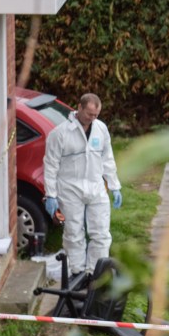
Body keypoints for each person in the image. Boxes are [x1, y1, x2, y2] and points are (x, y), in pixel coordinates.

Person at [43, 93, 122, 276]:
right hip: (70, 189)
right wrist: (51, 194)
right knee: (73, 233)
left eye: (96, 115)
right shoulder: (60, 133)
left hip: (95, 186)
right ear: (79, 107)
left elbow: (107, 159)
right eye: (89, 114)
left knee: (101, 233)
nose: (92, 118)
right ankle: (78, 272)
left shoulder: (101, 129)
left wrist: (114, 185)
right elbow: (51, 165)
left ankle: (96, 273)